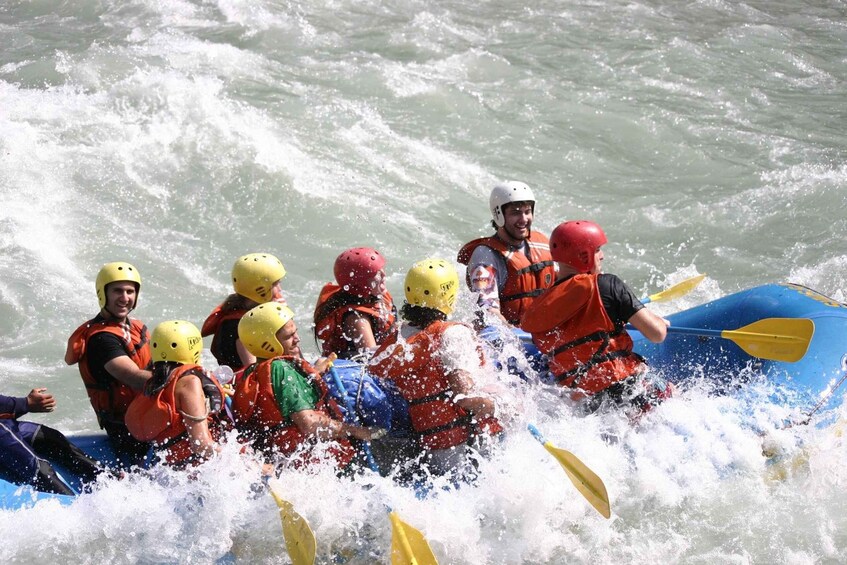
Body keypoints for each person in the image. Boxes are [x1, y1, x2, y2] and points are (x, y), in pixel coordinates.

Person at [368, 258, 503, 482]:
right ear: (448, 295)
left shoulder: (398, 337)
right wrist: (503, 407)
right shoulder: (451, 334)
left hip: (432, 448)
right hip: (467, 448)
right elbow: (465, 395)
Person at [520, 220, 671, 414]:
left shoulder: (537, 311)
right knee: (672, 392)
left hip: (587, 407)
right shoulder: (606, 285)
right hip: (632, 390)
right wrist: (657, 321)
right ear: (584, 255)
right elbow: (657, 334)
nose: (602, 256)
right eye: (598, 249)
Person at [231, 303, 376, 471]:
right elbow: (309, 423)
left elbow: (286, 393)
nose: (297, 339)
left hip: (279, 460)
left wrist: (315, 373)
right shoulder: (282, 369)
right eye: (289, 336)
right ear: (268, 344)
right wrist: (356, 431)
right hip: (311, 467)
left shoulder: (253, 371)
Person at [65, 261, 153, 467]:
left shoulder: (134, 326)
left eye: (130, 291)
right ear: (103, 294)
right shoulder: (102, 339)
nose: (125, 298)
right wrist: (181, 381)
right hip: (126, 428)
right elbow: (133, 377)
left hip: (146, 415)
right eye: (117, 291)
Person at [125, 321, 228, 468]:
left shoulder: (154, 385)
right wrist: (246, 464)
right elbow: (201, 445)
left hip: (172, 471)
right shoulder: (189, 382)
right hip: (199, 472)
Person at [457, 181, 556, 327]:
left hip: (543, 333)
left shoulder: (541, 243)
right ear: (499, 215)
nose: (524, 219)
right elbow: (488, 312)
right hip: (509, 337)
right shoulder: (485, 257)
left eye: (527, 212)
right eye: (515, 213)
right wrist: (524, 337)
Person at [1, 388, 107, 495]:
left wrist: (25, 404)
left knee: (52, 438)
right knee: (41, 469)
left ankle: (109, 479)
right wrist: (26, 403)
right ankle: (70, 504)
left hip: (5, 422)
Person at [201, 253, 287, 373]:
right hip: (238, 384)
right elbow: (254, 372)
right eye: (275, 284)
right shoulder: (240, 326)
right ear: (259, 289)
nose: (280, 289)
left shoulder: (245, 311)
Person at [313, 247, 397, 360]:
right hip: (352, 368)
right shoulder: (357, 320)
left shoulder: (374, 296)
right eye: (376, 273)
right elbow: (372, 357)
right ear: (360, 283)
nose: (383, 274)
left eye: (381, 269)